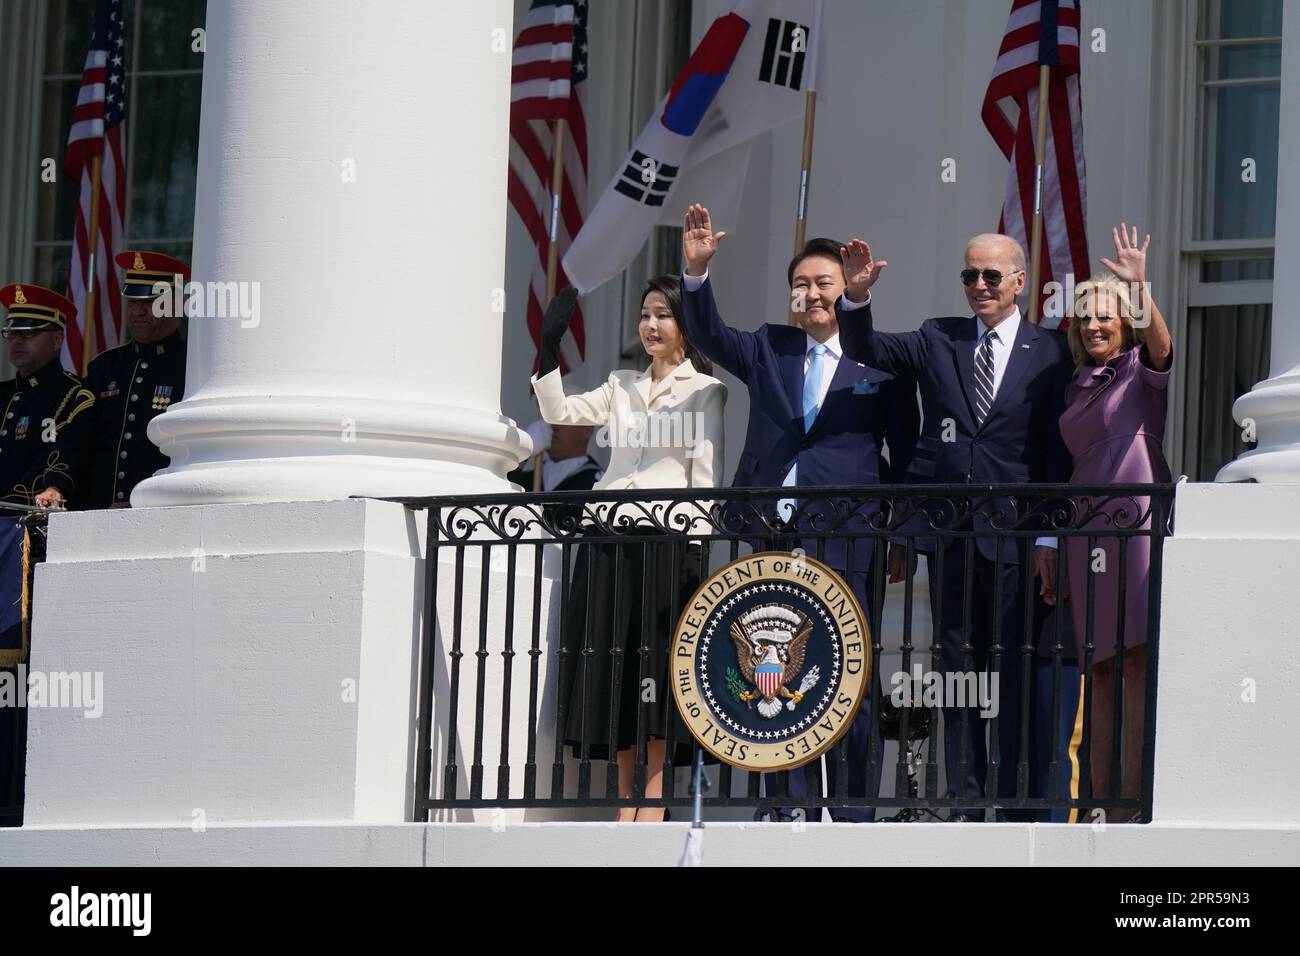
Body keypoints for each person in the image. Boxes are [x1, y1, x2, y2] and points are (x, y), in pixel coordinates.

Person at [679, 205, 920, 822]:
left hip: (850, 532)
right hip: (774, 532)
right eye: (802, 284)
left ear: (848, 291)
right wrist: (697, 273)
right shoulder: (768, 347)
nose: (812, 294)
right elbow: (708, 335)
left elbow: (904, 451)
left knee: (848, 672)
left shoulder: (880, 362)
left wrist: (898, 537)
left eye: (824, 283)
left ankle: (853, 805)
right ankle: (785, 805)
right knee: (774, 670)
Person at [836, 232, 1074, 818]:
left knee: (1013, 667)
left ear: (1020, 281)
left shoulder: (1050, 350)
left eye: (992, 276)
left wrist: (1049, 535)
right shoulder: (938, 336)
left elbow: (1055, 452)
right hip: (951, 534)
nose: (980, 287)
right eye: (970, 276)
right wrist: (858, 299)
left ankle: (1015, 803)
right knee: (957, 670)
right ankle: (967, 803)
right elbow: (868, 348)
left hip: (1017, 535)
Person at [532, 276, 726, 822]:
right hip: (608, 541)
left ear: (685, 325)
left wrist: (695, 555)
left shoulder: (706, 391)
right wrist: (548, 352)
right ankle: (625, 808)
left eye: (663, 314)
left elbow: (705, 480)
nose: (651, 325)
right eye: (645, 314)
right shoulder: (620, 384)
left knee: (659, 675)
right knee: (614, 672)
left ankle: (656, 806)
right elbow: (562, 414)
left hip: (666, 545)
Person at [1059, 224, 1172, 823]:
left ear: (1124, 322)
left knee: (1133, 660)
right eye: (1086, 320)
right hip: (1088, 531)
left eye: (1106, 317)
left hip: (1136, 529)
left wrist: (1140, 288)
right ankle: (1098, 801)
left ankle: (1131, 800)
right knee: (1097, 667)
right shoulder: (1076, 382)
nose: (1095, 327)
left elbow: (1164, 345)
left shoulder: (1140, 372)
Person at [34, 251, 189, 510]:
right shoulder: (106, 367)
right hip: (101, 509)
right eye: (132, 303)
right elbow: (77, 433)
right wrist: (56, 485)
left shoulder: (189, 364)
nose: (137, 312)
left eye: (149, 302)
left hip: (162, 509)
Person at [0, 284, 94, 505]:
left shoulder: (74, 394)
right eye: (12, 333)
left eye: (29, 333)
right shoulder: (4, 393)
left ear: (57, 340)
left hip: (27, 517)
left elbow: (62, 454)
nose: (17, 340)